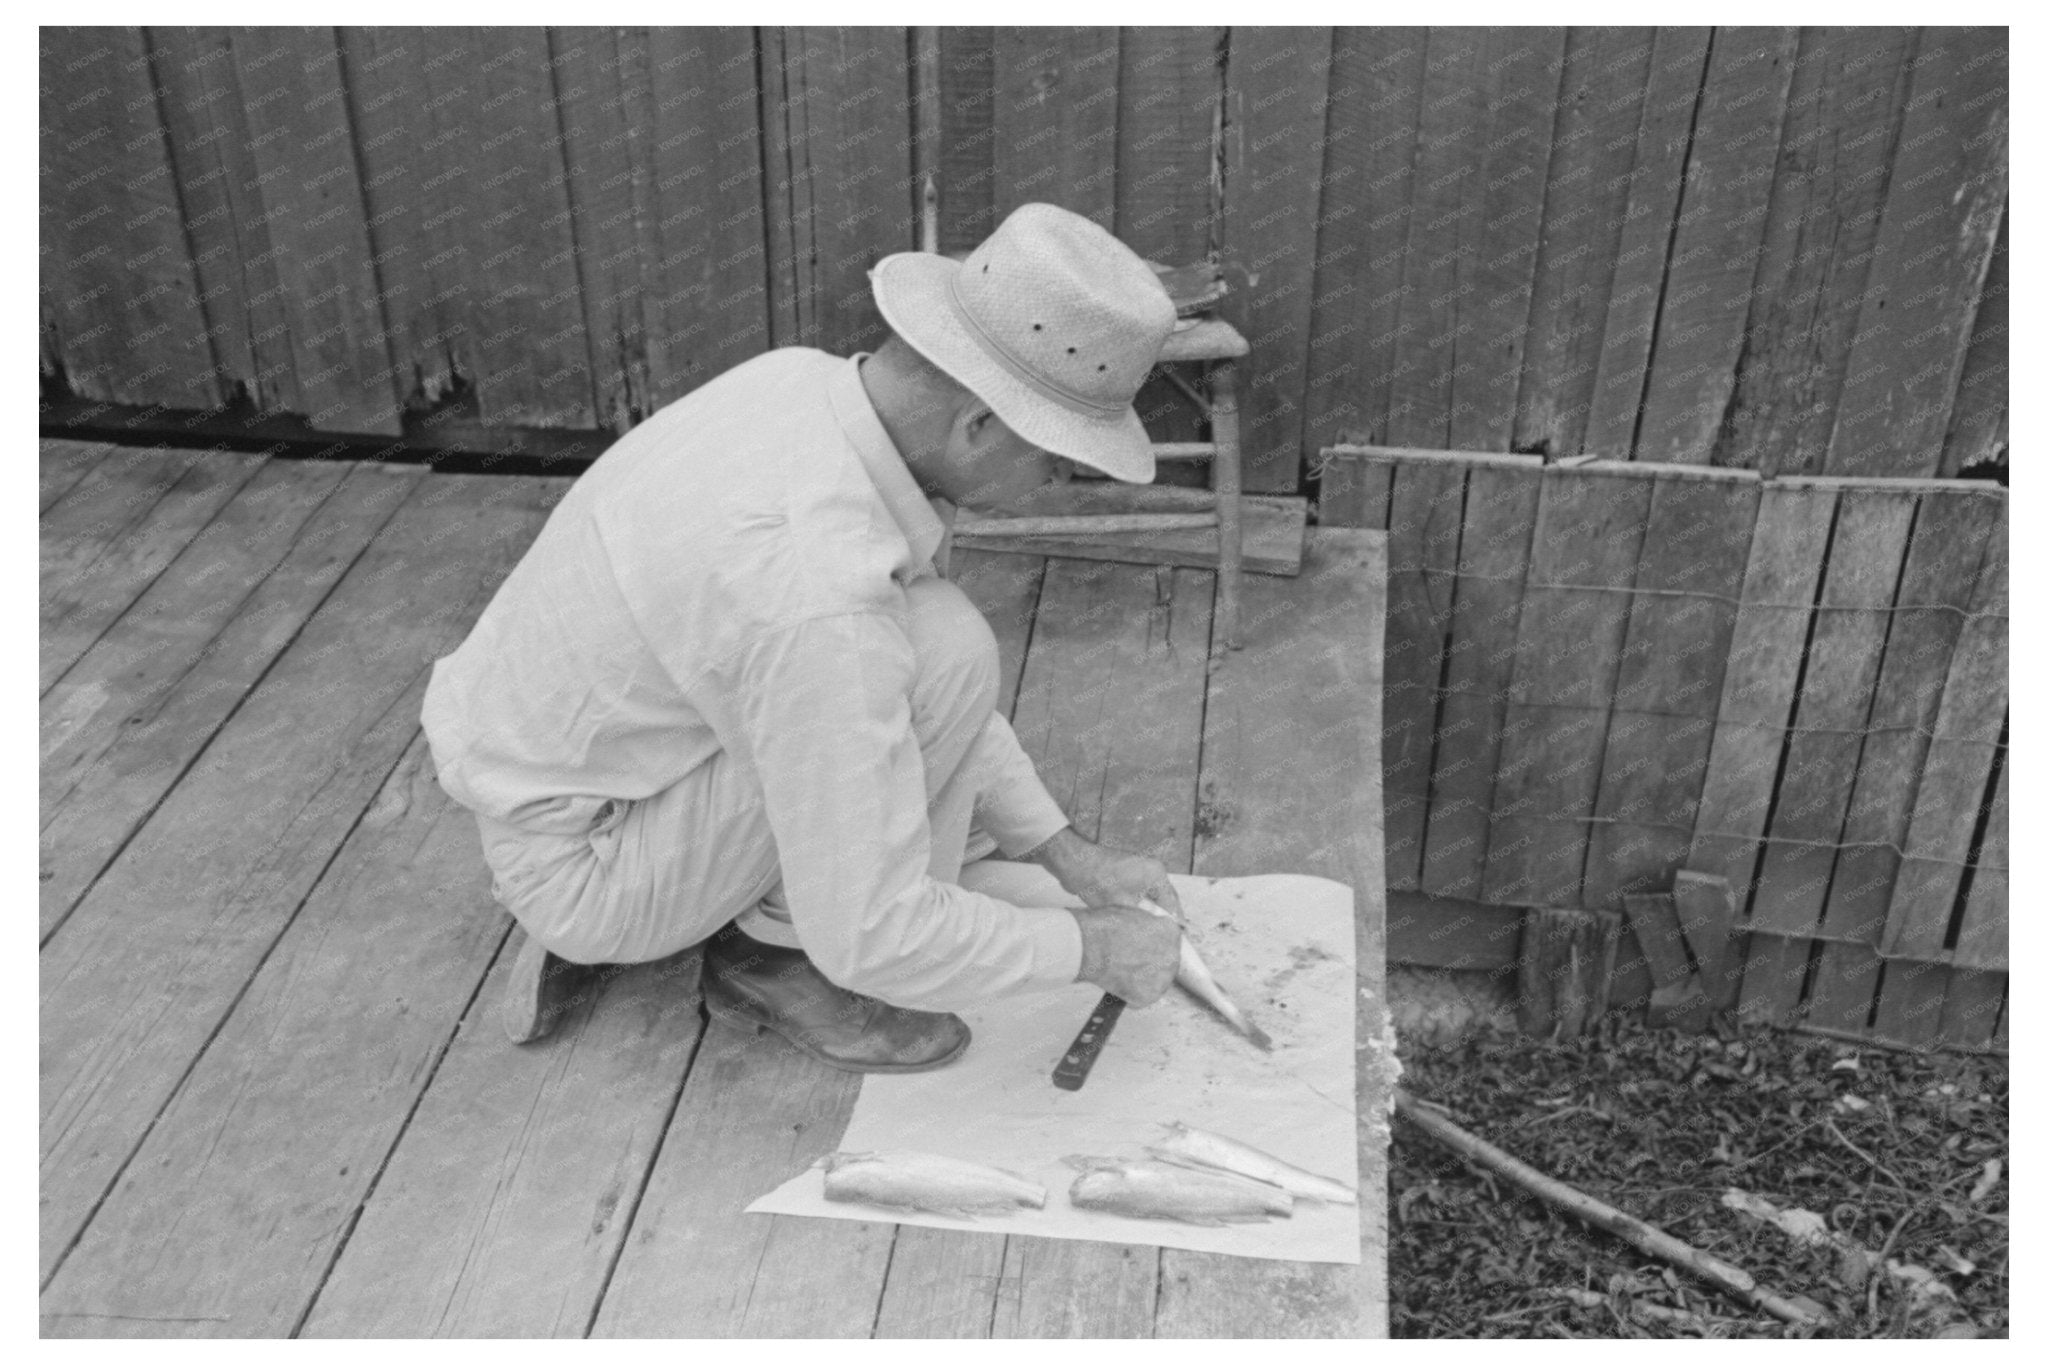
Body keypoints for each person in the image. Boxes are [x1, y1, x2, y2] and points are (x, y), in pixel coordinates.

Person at [421, 202, 1187, 1071]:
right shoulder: (816, 592)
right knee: (934, 667)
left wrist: (1065, 855)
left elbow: (895, 660)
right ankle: (773, 958)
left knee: (939, 640)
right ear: (977, 427)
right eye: (1054, 460)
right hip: (590, 860)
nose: (1051, 485)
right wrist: (1088, 947)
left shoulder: (801, 382)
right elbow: (876, 931)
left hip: (570, 776)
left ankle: (723, 896)